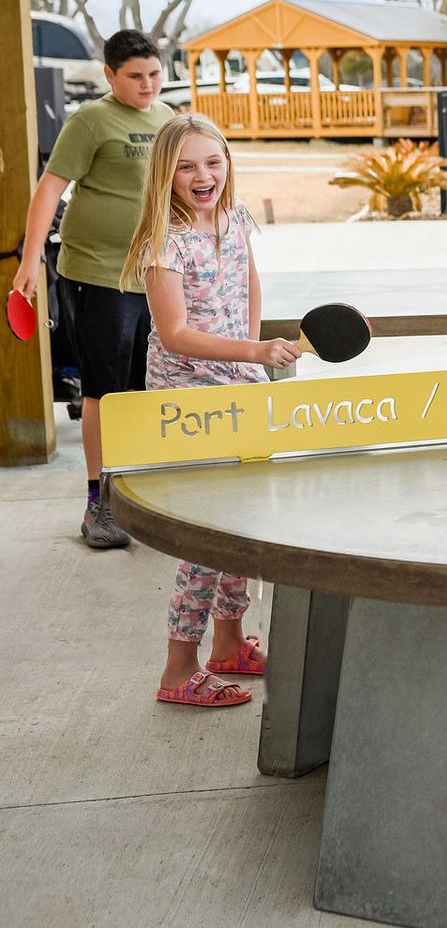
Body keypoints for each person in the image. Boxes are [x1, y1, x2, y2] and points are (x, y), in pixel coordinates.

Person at [123, 113, 296, 707]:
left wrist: (248, 364)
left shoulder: (235, 218)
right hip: (186, 403)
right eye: (187, 166)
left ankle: (228, 642)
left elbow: (247, 291)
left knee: (241, 528)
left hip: (235, 389)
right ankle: (178, 669)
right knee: (205, 539)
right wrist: (255, 350)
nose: (203, 176)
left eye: (213, 162)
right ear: (165, 174)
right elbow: (173, 333)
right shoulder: (161, 242)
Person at [9, 30, 172, 548]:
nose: (147, 85)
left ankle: (142, 495)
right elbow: (50, 187)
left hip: (157, 275)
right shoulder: (91, 120)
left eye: (153, 74)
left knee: (149, 389)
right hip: (99, 275)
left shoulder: (169, 119)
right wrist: (31, 258)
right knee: (105, 390)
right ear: (109, 75)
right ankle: (97, 505)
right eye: (134, 76)